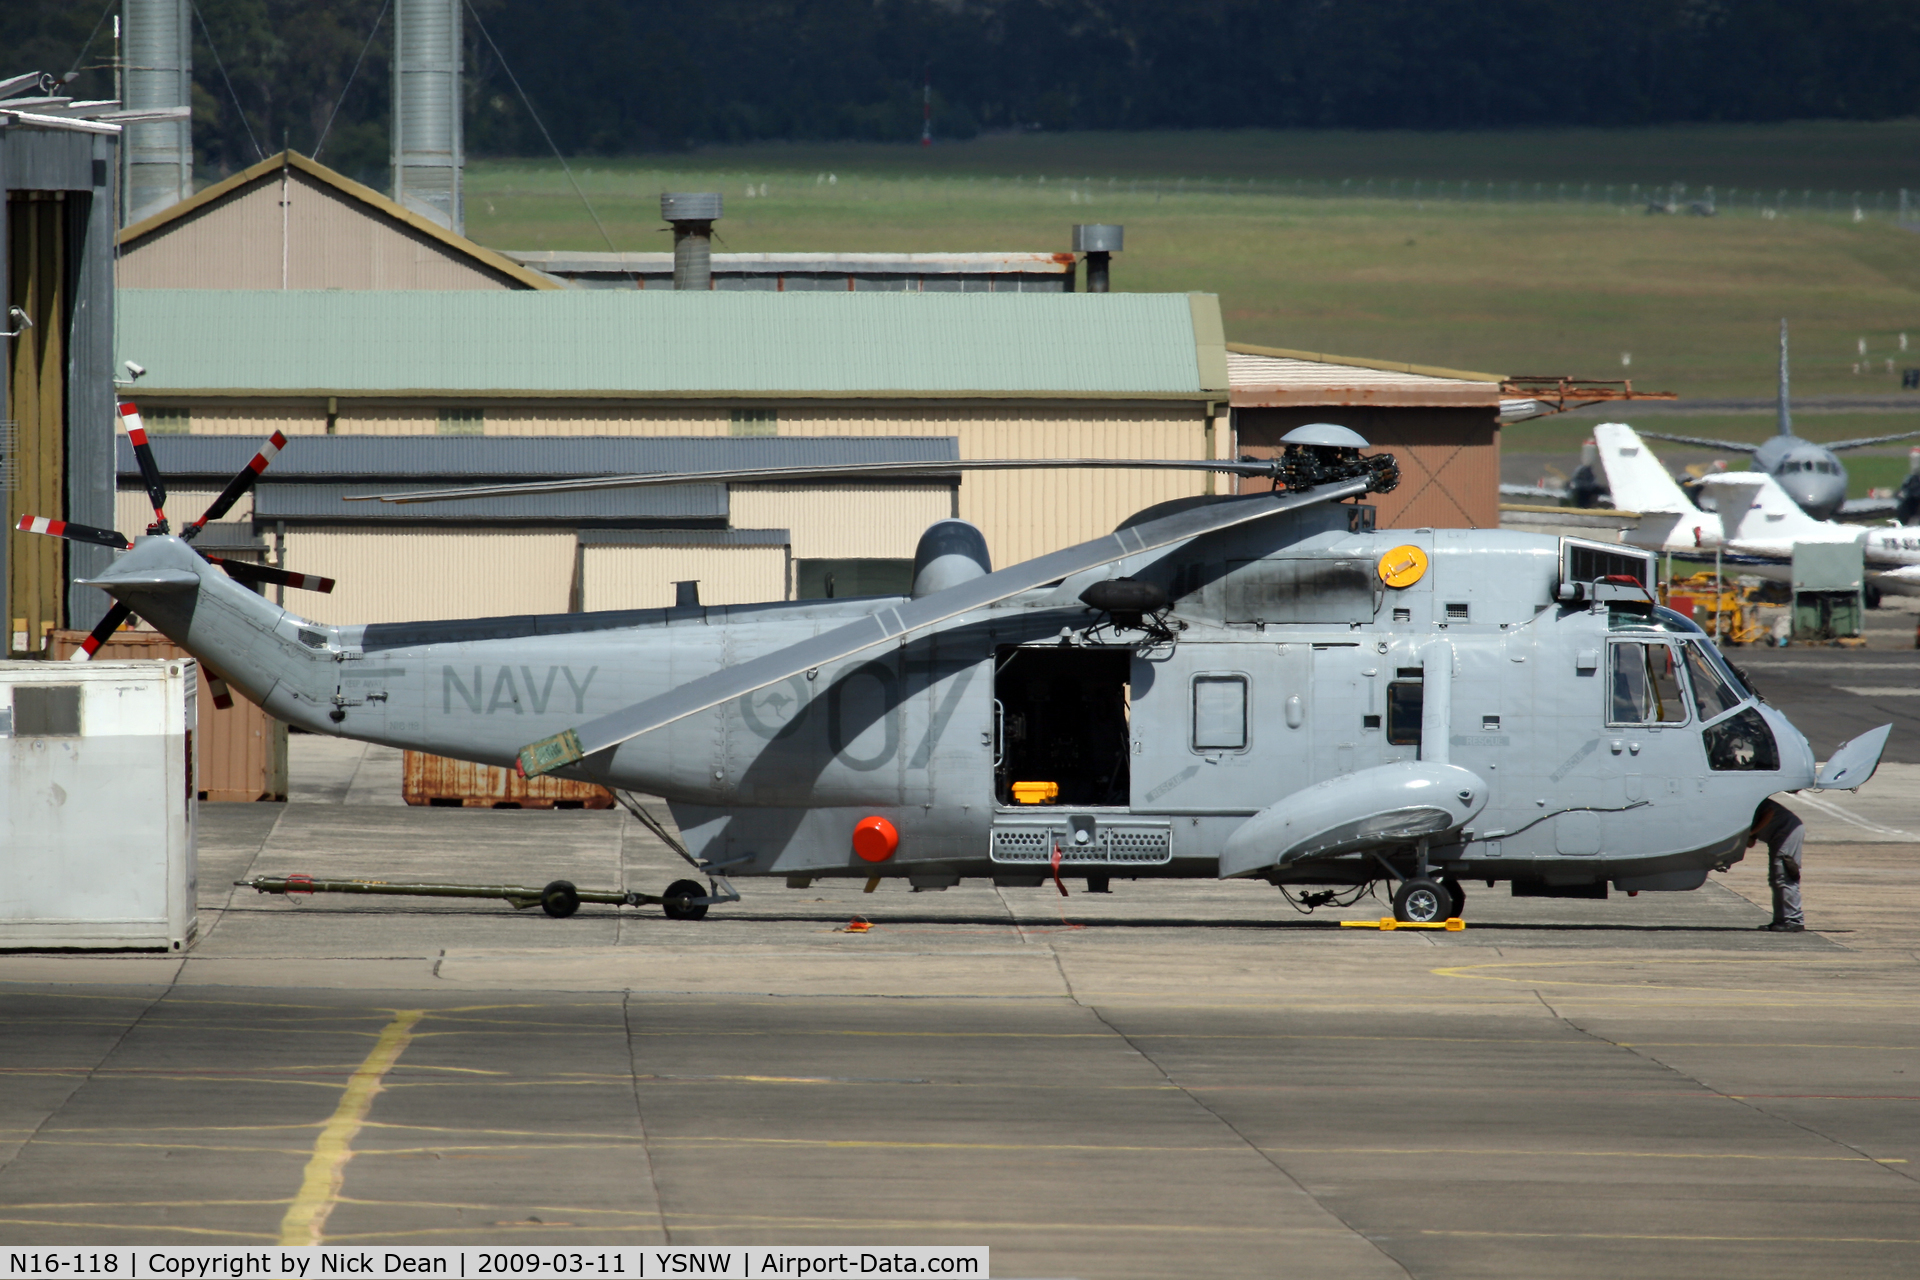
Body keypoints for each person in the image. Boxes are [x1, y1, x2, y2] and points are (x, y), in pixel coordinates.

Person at [1747, 799, 1805, 932]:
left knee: (1784, 876)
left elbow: (1769, 812)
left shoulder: (1747, 801)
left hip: (1788, 831)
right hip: (1777, 836)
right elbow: (1750, 843)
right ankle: (1781, 920)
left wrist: (1751, 832)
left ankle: (1794, 920)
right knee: (1775, 879)